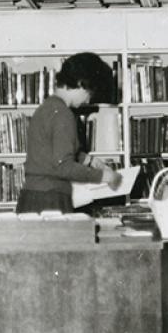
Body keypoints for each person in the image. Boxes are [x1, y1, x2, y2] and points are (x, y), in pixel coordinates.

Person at [16, 52, 122, 214]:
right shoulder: (64, 114)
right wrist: (106, 177)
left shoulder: (47, 108)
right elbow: (63, 167)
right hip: (50, 200)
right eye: (89, 93)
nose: (87, 101)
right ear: (80, 84)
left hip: (32, 198)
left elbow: (51, 151)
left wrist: (89, 160)